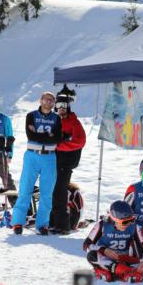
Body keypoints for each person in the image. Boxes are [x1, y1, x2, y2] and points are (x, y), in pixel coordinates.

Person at [11, 91, 62, 235]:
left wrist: (41, 136)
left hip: (49, 157)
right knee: (25, 189)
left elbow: (57, 138)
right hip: (32, 155)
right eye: (46, 99)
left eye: (51, 100)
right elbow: (30, 135)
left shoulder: (56, 118)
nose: (48, 102)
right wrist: (48, 136)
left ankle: (42, 224)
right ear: (40, 100)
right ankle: (18, 222)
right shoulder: (31, 116)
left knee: (47, 192)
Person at [82, 200, 143, 283]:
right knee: (91, 255)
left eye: (131, 220)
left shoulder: (134, 226)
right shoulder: (102, 225)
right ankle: (126, 272)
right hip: (105, 259)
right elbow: (86, 245)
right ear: (114, 219)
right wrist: (104, 250)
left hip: (123, 259)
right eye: (125, 222)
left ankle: (109, 272)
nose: (128, 224)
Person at [51, 90, 86, 234]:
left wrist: (59, 145)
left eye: (64, 105)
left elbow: (80, 141)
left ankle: (63, 225)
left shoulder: (74, 122)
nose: (61, 108)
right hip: (53, 162)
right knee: (53, 192)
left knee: (60, 192)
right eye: (58, 105)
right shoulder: (54, 121)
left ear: (68, 107)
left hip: (66, 163)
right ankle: (52, 222)